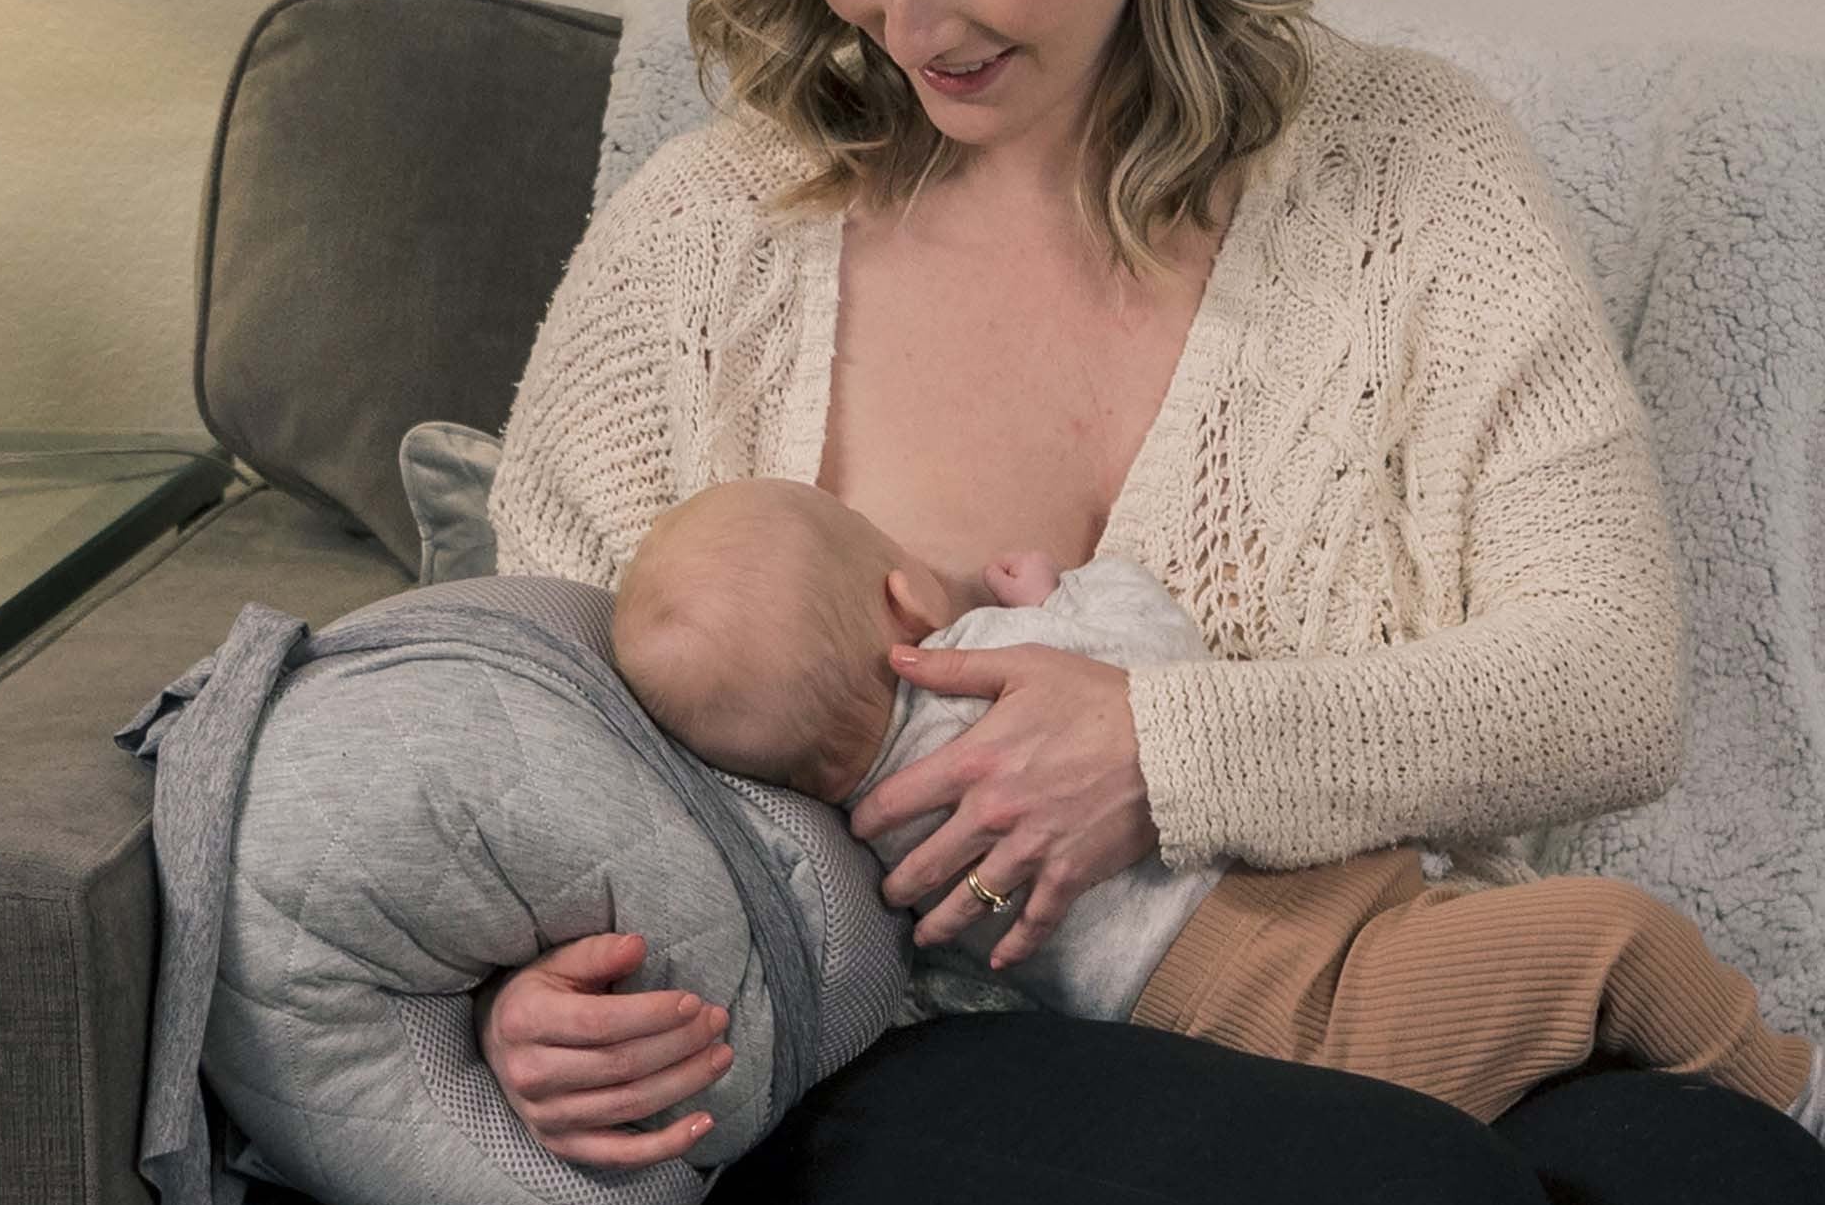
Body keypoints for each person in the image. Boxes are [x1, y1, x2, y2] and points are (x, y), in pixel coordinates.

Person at [475, 0, 1825, 1205]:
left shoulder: (1402, 174)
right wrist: (521, 995)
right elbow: (495, 720)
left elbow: (1602, 678)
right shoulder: (709, 239)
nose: (902, 26)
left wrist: (1155, 749)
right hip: (883, 1062)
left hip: (1360, 974)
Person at [608, 474, 1825, 1135]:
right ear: (901, 593)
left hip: (1212, 1045)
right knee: (1609, 937)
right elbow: (1160, 661)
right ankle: (1786, 1087)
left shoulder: (868, 840)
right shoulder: (988, 655)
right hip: (1327, 986)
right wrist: (1067, 589)